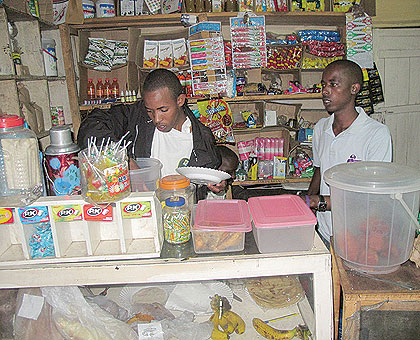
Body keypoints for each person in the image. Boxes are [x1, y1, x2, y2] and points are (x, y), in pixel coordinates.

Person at [77, 69, 224, 191]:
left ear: (180, 100)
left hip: (179, 214)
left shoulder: (202, 140)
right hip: (140, 212)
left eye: (163, 110)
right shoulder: (135, 117)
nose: (156, 119)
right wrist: (123, 158)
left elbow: (204, 187)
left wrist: (216, 186)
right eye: (150, 111)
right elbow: (91, 126)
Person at [305, 60, 392, 246]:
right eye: (324, 85)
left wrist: (318, 202)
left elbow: (371, 197)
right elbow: (319, 170)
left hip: (358, 235)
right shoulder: (321, 128)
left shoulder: (376, 134)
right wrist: (306, 202)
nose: (325, 91)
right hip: (324, 230)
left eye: (333, 84)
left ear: (354, 88)